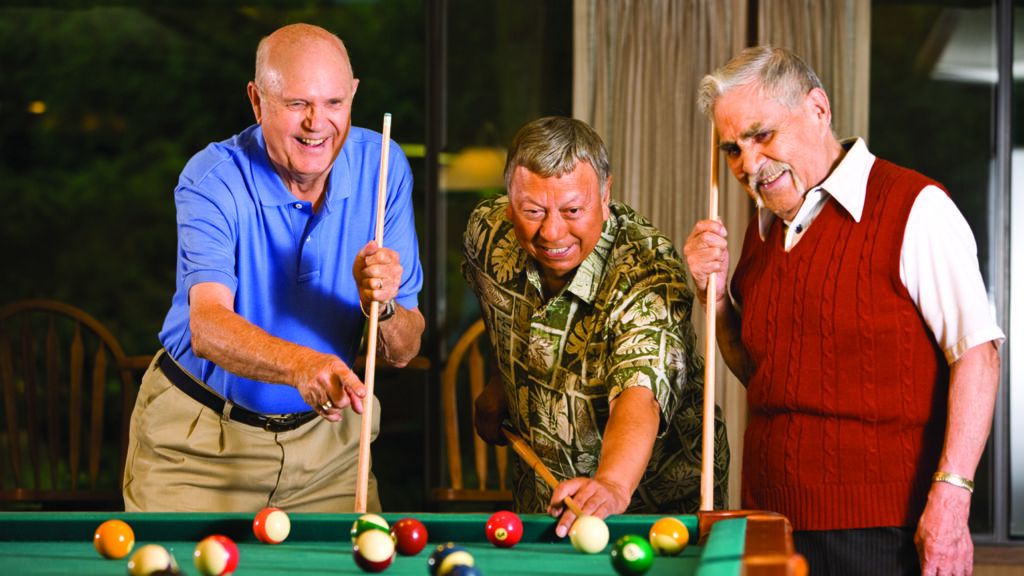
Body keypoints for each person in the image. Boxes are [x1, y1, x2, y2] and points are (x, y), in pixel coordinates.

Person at [684, 46, 1003, 575]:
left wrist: (952, 497)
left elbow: (979, 356)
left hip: (879, 533)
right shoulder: (759, 232)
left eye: (762, 135)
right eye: (732, 150)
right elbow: (762, 375)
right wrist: (715, 301)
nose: (748, 165)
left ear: (818, 109)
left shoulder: (914, 206)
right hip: (768, 522)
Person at [123, 23, 425, 513]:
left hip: (329, 450)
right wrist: (303, 365)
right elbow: (207, 326)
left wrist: (384, 307)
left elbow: (405, 350)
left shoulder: (384, 168)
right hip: (201, 446)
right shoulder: (212, 178)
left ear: (353, 96)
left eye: (333, 103)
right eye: (296, 104)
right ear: (257, 101)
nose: (317, 123)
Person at [464, 116, 729, 537]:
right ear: (509, 200)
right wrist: (500, 383)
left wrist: (611, 484)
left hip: (653, 511)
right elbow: (495, 301)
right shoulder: (489, 231)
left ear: (605, 196)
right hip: (544, 496)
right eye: (532, 210)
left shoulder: (647, 269)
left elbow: (640, 394)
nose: (551, 232)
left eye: (573, 210)